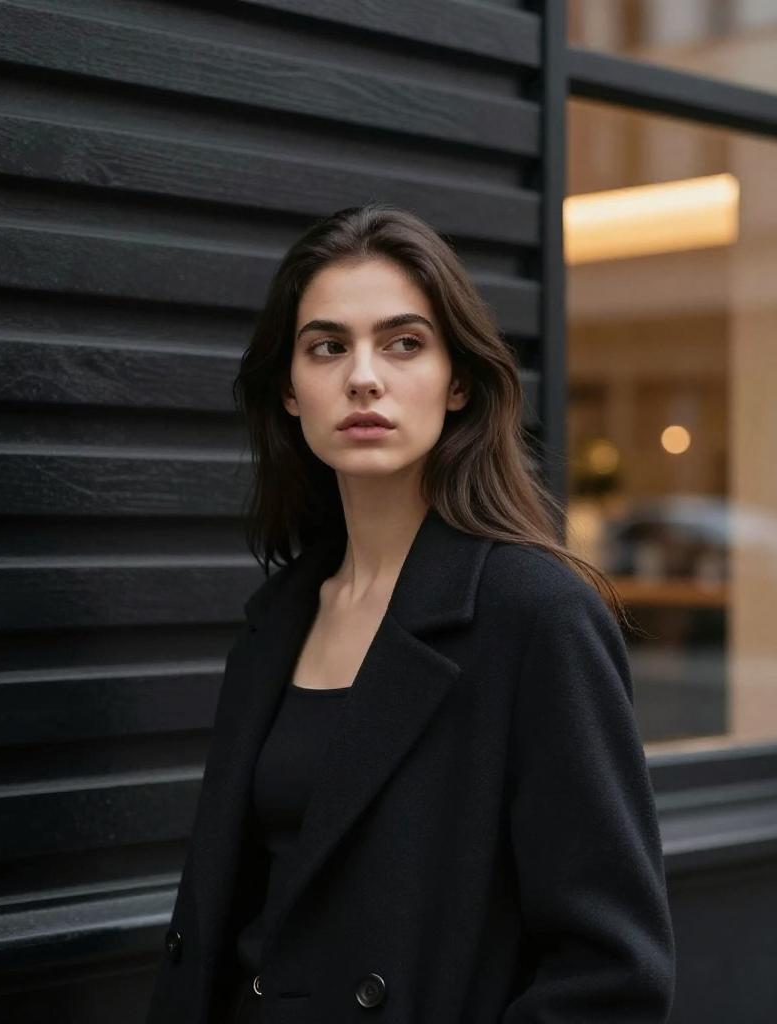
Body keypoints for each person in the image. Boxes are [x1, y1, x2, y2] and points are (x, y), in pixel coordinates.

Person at [145, 203, 676, 1023]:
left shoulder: (536, 614)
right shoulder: (278, 618)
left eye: (403, 343)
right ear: (289, 391)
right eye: (328, 347)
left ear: (458, 381)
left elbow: (613, 975)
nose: (363, 376)